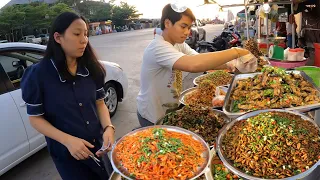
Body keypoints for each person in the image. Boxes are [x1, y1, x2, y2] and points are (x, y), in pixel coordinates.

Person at [21, 12, 115, 180]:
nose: (84, 39)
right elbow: (35, 119)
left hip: (97, 146)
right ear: (58, 37)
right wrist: (68, 141)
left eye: (86, 34)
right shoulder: (38, 75)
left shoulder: (92, 69)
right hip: (68, 154)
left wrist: (108, 127)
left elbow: (100, 103)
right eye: (77, 34)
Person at [136, 4, 256, 127]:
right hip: (152, 115)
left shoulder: (178, 44)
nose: (187, 32)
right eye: (183, 26)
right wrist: (236, 52)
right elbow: (194, 64)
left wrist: (232, 64)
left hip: (169, 109)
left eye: (189, 27)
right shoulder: (158, 47)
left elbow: (199, 59)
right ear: (167, 23)